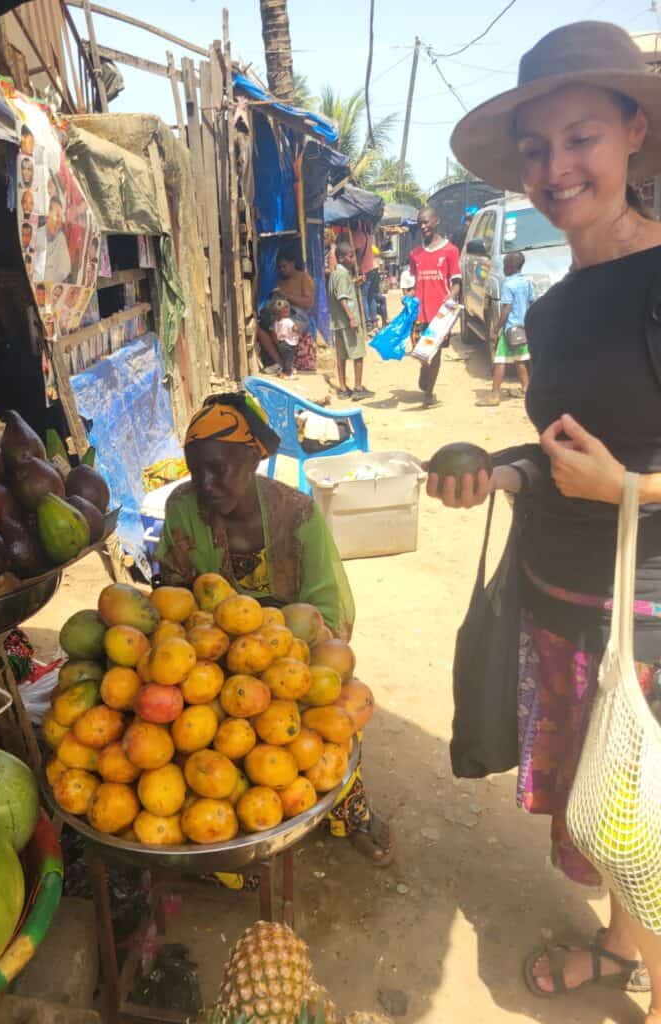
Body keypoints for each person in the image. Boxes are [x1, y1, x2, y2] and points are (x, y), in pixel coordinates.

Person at [437, 20, 661, 1017]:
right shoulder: (554, 309)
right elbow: (560, 443)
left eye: (582, 138)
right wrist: (501, 473)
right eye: (536, 148)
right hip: (564, 603)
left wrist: (634, 492)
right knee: (612, 812)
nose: (556, 168)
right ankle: (623, 950)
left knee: (656, 831)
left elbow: (617, 473)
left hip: (649, 619)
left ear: (635, 133)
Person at [156, 392, 392, 864]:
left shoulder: (296, 513)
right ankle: (224, 839)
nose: (206, 482)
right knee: (198, 745)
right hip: (211, 660)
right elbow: (172, 595)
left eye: (219, 468)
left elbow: (329, 606)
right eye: (196, 469)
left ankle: (350, 805)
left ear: (253, 461)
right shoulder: (183, 508)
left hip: (292, 655)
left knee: (333, 714)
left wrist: (292, 653)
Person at [409, 207, 461, 408]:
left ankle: (429, 392)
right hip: (420, 314)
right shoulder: (415, 254)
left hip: (440, 315)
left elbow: (456, 283)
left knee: (435, 352)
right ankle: (425, 370)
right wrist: (409, 298)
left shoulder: (451, 251)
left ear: (436, 221)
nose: (423, 226)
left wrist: (449, 299)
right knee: (421, 352)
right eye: (420, 223)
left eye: (426, 222)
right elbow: (415, 283)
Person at [477, 251, 532, 407]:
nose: (503, 269)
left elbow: (506, 309)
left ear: (511, 266)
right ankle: (526, 388)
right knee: (519, 359)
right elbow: (531, 302)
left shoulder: (508, 284)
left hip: (510, 329)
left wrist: (496, 329)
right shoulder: (527, 282)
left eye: (505, 265)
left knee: (500, 361)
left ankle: (494, 395)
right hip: (522, 328)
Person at [327, 241, 372, 401]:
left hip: (338, 322)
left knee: (342, 356)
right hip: (347, 322)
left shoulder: (337, 274)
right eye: (350, 256)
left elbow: (341, 290)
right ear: (341, 258)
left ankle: (343, 388)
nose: (353, 259)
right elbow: (342, 298)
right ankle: (358, 388)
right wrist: (352, 318)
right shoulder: (341, 274)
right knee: (357, 354)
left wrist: (354, 283)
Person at [44, 196, 71, 284]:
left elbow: (64, 270)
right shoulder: (36, 236)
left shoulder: (60, 237)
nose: (60, 222)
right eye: (57, 216)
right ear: (46, 216)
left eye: (61, 217)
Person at [271, 297, 300, 378]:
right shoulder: (288, 321)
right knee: (289, 359)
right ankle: (287, 374)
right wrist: (298, 332)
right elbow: (295, 329)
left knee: (284, 358)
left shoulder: (277, 322)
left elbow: (275, 331)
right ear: (286, 311)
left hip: (281, 343)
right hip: (289, 343)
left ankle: (284, 371)